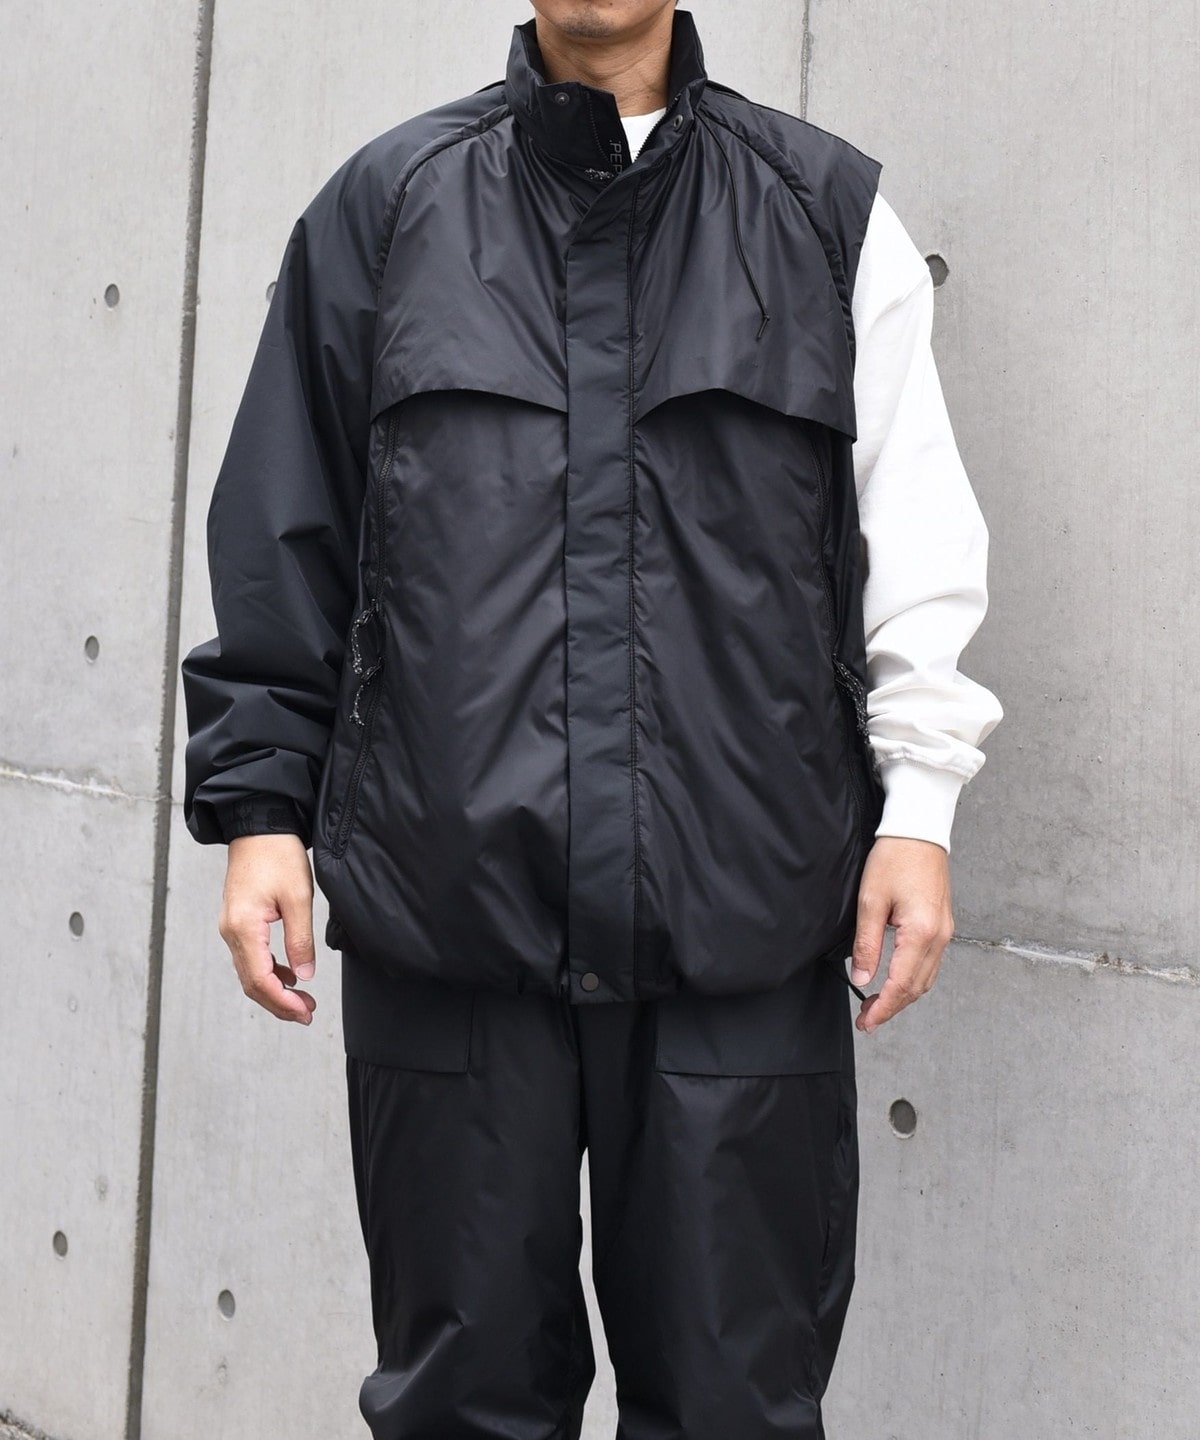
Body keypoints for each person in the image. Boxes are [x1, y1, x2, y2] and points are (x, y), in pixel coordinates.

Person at [180, 3, 1002, 1436]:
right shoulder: (387, 208)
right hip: (452, 914)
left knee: (734, 1404)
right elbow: (285, 527)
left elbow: (916, 536)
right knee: (462, 1402)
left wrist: (919, 813)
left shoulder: (824, 215)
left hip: (740, 920)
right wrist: (261, 812)